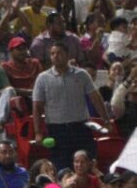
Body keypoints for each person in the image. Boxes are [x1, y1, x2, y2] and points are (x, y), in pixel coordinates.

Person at [33, 41, 110, 171]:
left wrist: (106, 120)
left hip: (81, 127)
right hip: (57, 129)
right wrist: (38, 132)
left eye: (59, 53)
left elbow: (96, 98)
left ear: (67, 55)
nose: (55, 56)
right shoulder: (43, 78)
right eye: (52, 53)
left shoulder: (82, 75)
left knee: (87, 164)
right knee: (62, 168)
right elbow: (37, 107)